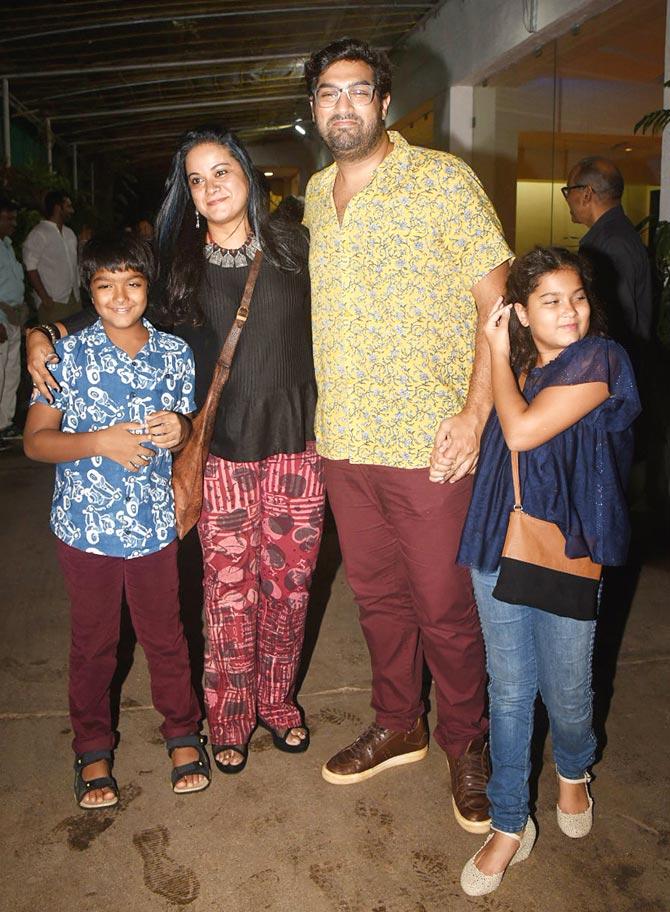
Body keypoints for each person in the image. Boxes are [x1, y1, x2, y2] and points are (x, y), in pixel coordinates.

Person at [27, 126, 324, 776]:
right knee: (226, 593)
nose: (212, 187)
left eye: (222, 171)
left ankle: (277, 702)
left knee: (290, 589)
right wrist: (44, 331)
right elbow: (114, 304)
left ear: (247, 175)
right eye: (197, 179)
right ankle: (230, 714)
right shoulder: (175, 265)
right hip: (217, 451)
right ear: (186, 195)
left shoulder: (297, 247)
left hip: (298, 447)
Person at [302, 37, 512, 832]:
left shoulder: (442, 181)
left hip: (431, 442)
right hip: (344, 440)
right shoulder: (317, 194)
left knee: (443, 605)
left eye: (359, 91)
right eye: (328, 93)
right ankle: (399, 720)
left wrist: (476, 413)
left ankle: (467, 743)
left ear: (385, 103)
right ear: (315, 108)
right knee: (379, 600)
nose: (344, 105)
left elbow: (500, 306)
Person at [444, 247, 639, 895]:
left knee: (568, 691)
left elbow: (524, 432)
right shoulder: (520, 365)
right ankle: (507, 823)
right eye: (550, 300)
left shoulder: (602, 361)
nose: (570, 311)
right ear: (520, 313)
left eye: (577, 296)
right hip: (499, 534)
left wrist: (495, 355)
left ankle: (575, 769)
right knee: (508, 688)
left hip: (569, 542)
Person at [23, 232, 210, 808]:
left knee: (166, 637)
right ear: (90, 291)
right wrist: (99, 441)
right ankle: (92, 748)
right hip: (85, 529)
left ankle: (181, 733)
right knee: (94, 644)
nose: (120, 296)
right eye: (105, 285)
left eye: (132, 283)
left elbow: (188, 430)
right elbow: (35, 442)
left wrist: (182, 430)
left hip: (154, 526)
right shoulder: (65, 356)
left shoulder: (174, 354)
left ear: (148, 288)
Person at [562, 157, 653, 371]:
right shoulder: (616, 233)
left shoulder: (611, 244)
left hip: (615, 369)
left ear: (586, 193)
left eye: (568, 191)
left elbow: (617, 319)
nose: (567, 199)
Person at [23, 190, 81, 323]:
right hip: (54, 301)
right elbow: (30, 267)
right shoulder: (39, 233)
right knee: (55, 342)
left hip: (74, 299)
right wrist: (45, 298)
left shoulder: (70, 233)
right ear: (57, 208)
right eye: (68, 206)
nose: (71, 211)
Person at [0, 197, 27, 446]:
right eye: (8, 218)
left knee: (11, 373)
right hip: (1, 319)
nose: (13, 223)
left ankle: (4, 424)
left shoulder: (8, 246)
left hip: (14, 318)